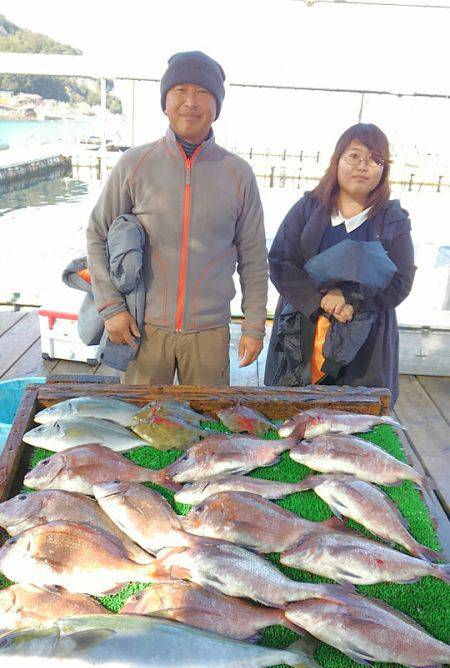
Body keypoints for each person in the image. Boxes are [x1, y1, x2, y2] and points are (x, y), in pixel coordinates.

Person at [86, 51, 268, 386]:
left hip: (210, 334)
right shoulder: (134, 164)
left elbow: (254, 257)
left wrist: (254, 325)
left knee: (206, 427)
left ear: (216, 106)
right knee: (140, 428)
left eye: (202, 93)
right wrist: (111, 307)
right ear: (165, 102)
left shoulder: (238, 174)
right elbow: (97, 235)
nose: (191, 102)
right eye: (180, 90)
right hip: (142, 326)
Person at [264, 123, 415, 404]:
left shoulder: (393, 220)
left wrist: (349, 297)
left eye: (374, 159)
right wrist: (319, 299)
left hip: (365, 341)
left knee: (357, 413)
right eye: (354, 156)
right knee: (293, 410)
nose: (363, 166)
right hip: (302, 330)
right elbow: (280, 262)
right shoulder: (307, 208)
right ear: (337, 161)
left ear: (384, 169)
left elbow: (401, 281)